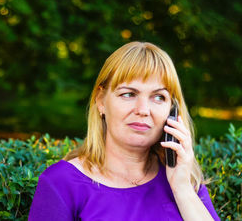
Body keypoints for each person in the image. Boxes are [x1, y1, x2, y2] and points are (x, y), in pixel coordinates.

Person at [28, 42, 220, 220]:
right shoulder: (61, 183)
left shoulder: (184, 180)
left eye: (158, 97)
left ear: (172, 110)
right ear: (101, 101)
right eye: (128, 94)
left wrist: (182, 189)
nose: (143, 110)